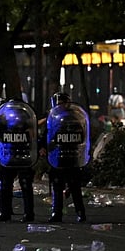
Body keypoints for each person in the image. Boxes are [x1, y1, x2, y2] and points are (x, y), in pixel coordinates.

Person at [44, 92, 89, 223]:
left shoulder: (73, 118)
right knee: (59, 187)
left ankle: (78, 213)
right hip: (61, 157)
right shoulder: (55, 118)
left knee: (73, 187)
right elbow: (49, 137)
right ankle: (60, 213)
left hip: (69, 157)